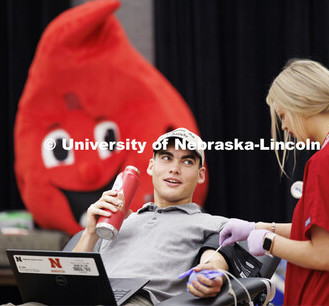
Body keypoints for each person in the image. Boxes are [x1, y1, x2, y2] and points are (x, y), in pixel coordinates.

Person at [219, 59, 329, 305]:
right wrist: (256, 228)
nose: (284, 126)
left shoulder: (325, 161)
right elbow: (325, 230)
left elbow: (325, 255)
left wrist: (269, 243)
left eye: (282, 115)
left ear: (301, 104)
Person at [73, 128, 230, 305]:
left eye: (186, 162)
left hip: (138, 300)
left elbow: (214, 260)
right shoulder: (117, 221)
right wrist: (90, 233)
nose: (174, 169)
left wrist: (211, 274)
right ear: (150, 166)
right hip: (91, 297)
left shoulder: (214, 224)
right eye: (166, 158)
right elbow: (69, 282)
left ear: (200, 175)